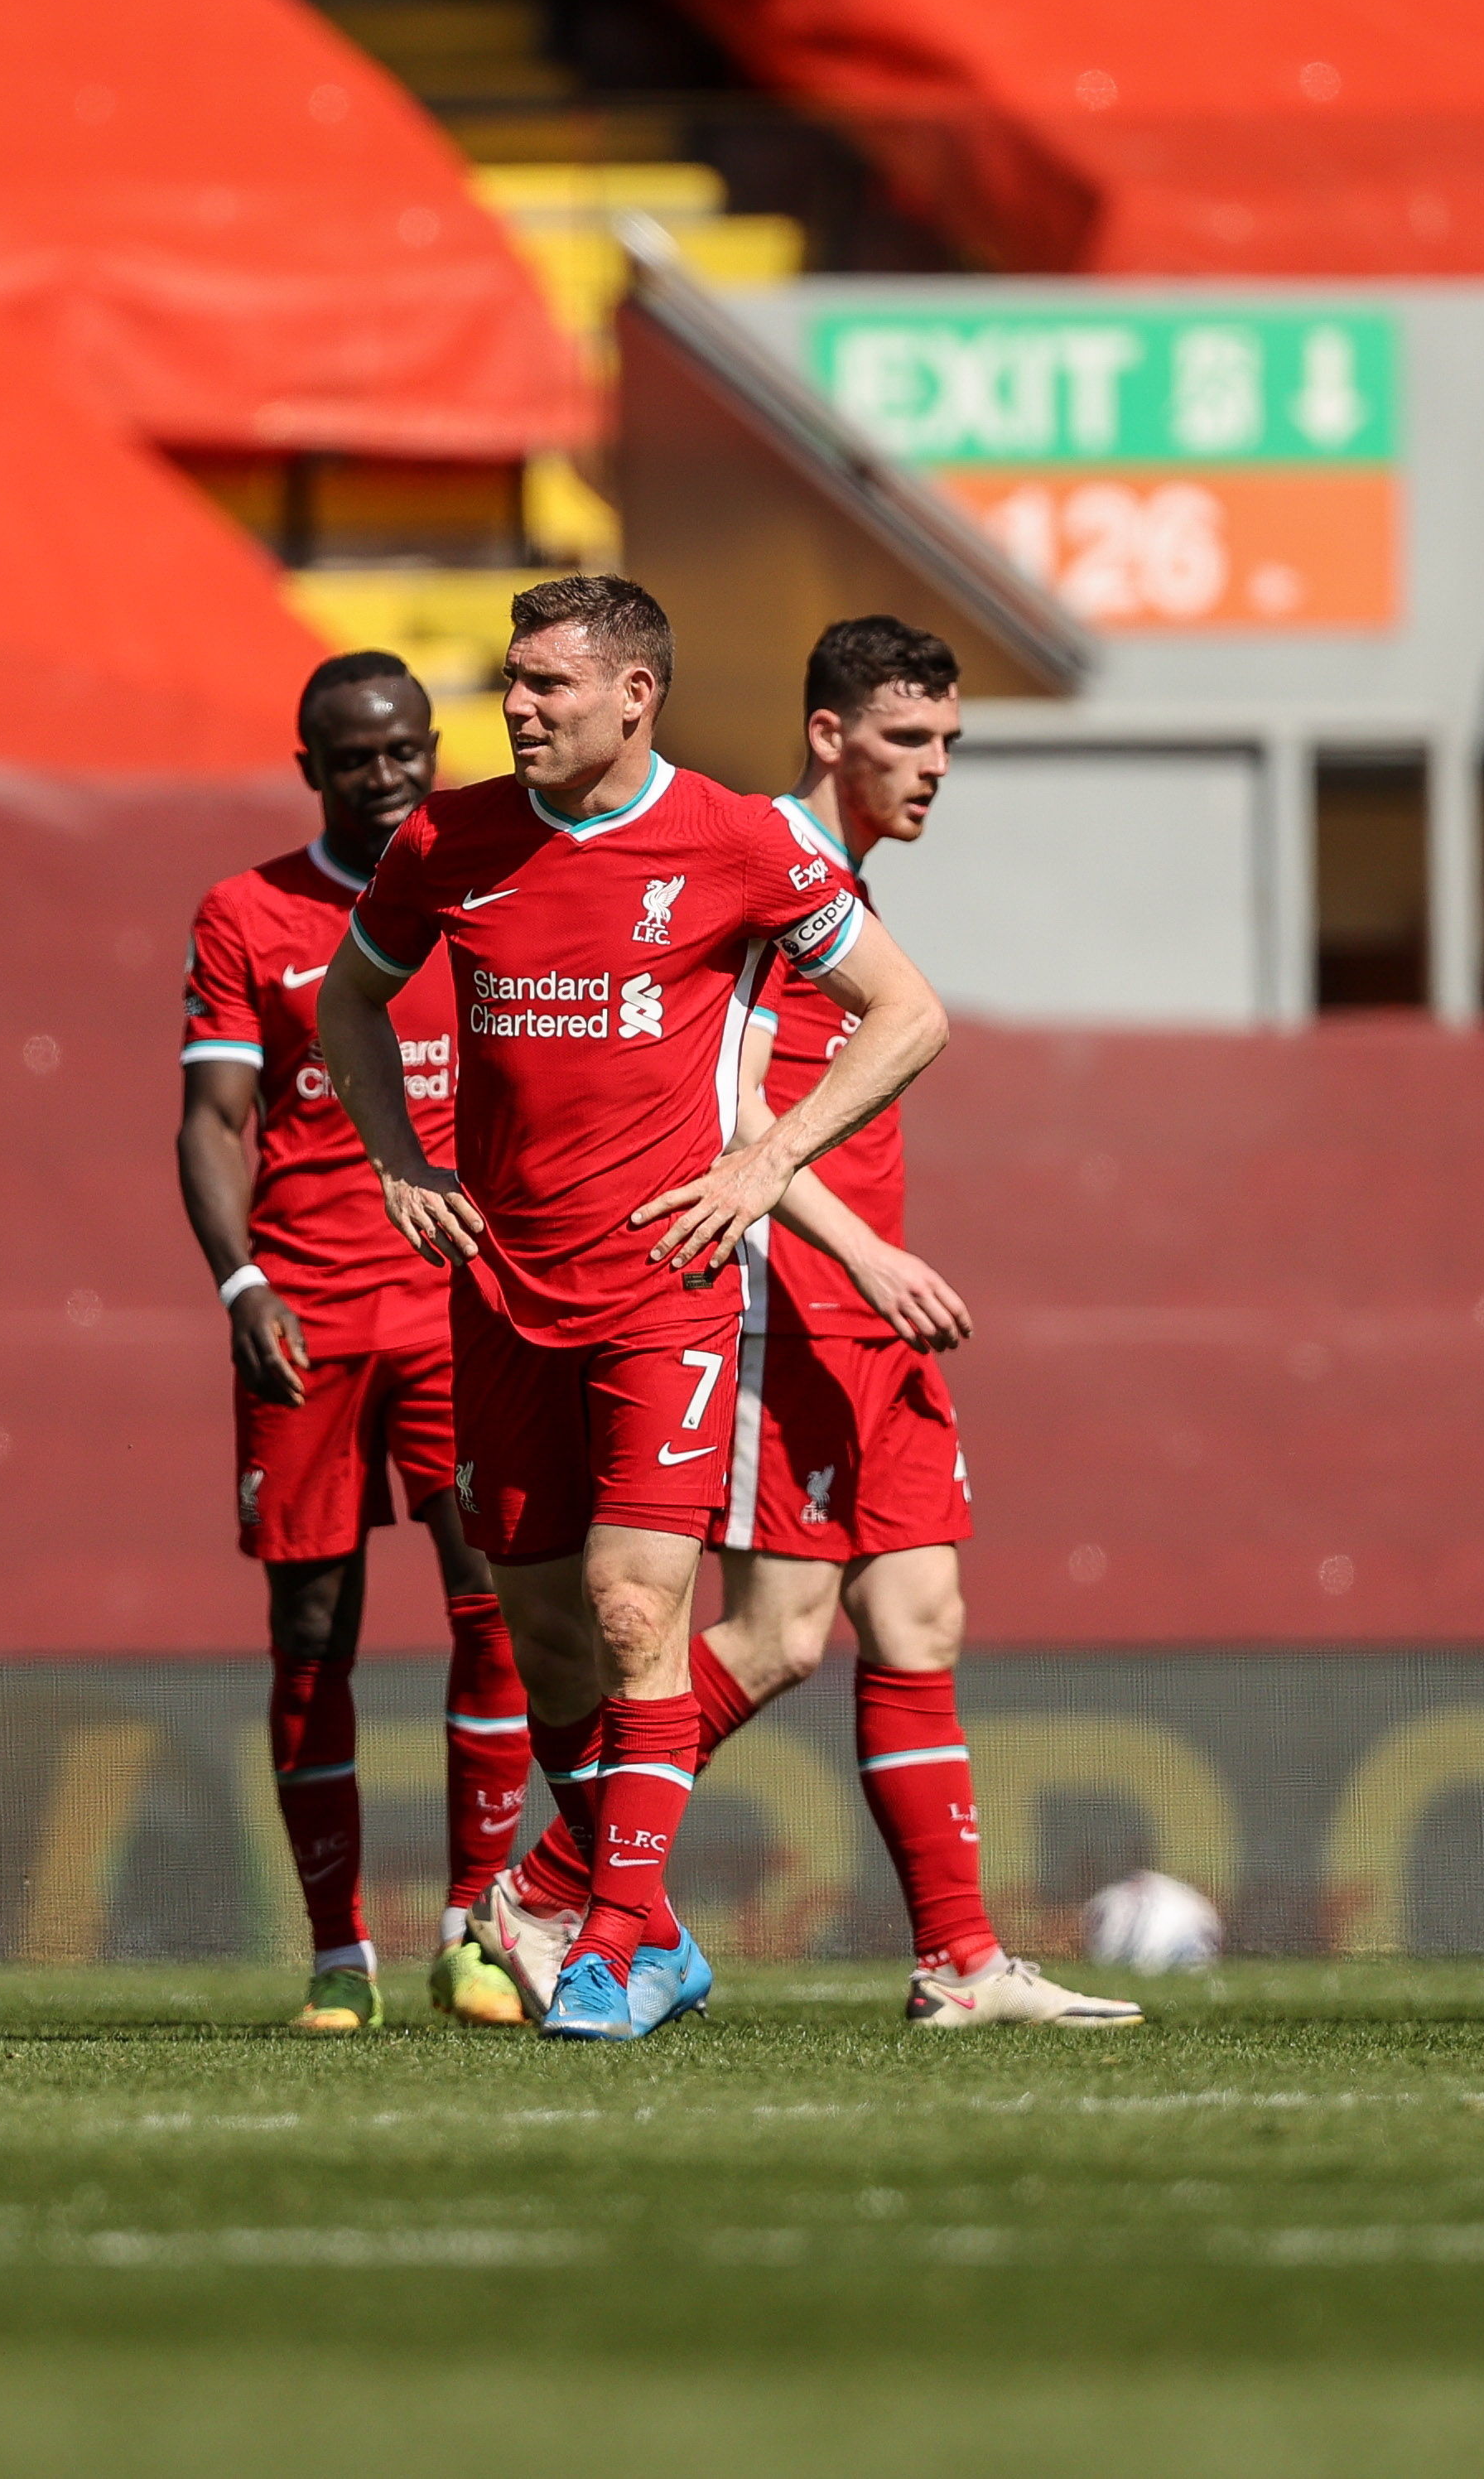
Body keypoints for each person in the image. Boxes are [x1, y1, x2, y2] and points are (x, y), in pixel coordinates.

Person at [468, 618, 1132, 2028]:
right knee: (771, 1634)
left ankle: (958, 1962)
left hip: (862, 1312)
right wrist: (852, 1243)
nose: (934, 768)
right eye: (906, 738)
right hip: (775, 1298)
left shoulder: (843, 876)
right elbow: (736, 1113)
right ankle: (556, 1886)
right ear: (826, 735)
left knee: (920, 1614)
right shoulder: (759, 861)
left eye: (951, 742)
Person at [317, 573, 947, 2043]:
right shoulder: (448, 838)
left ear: (633, 694)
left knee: (629, 1607)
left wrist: (768, 1157)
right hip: (500, 1293)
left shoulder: (737, 840)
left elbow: (907, 1011)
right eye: (513, 681)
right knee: (539, 1633)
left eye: (545, 683)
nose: (516, 706)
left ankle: (607, 1942)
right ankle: (648, 1925)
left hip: (663, 1289)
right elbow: (349, 1004)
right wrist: (397, 1159)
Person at [177, 652, 528, 2033]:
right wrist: (241, 1283)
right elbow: (214, 1121)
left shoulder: (489, 887)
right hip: (309, 1318)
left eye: (402, 752)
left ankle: (474, 1928)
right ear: (309, 766)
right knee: (310, 1629)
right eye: (352, 757)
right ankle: (337, 1954)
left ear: (431, 749)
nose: (383, 776)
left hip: (458, 1302)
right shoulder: (246, 912)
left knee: (491, 1598)